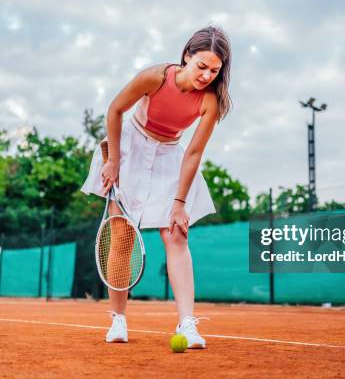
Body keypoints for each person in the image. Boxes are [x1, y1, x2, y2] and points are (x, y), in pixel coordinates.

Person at [80, 26, 232, 349]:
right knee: (120, 233)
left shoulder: (211, 103)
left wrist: (179, 203)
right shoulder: (155, 77)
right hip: (130, 147)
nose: (206, 75)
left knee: (177, 234)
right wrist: (114, 160)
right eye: (201, 66)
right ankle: (118, 320)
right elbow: (115, 110)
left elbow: (192, 154)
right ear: (187, 56)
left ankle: (188, 325)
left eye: (214, 71)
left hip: (170, 158)